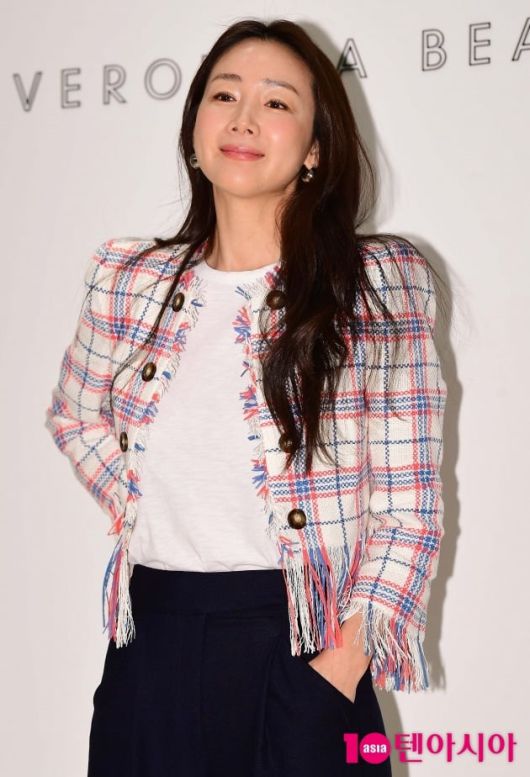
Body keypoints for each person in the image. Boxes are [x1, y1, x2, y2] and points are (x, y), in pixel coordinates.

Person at [45, 17, 447, 777]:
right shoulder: (128, 280)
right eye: (224, 95)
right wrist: (140, 497)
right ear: (195, 128)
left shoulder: (375, 285)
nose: (244, 119)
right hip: (149, 652)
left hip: (300, 653)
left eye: (277, 102)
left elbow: (409, 510)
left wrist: (335, 671)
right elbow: (75, 415)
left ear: (316, 147)